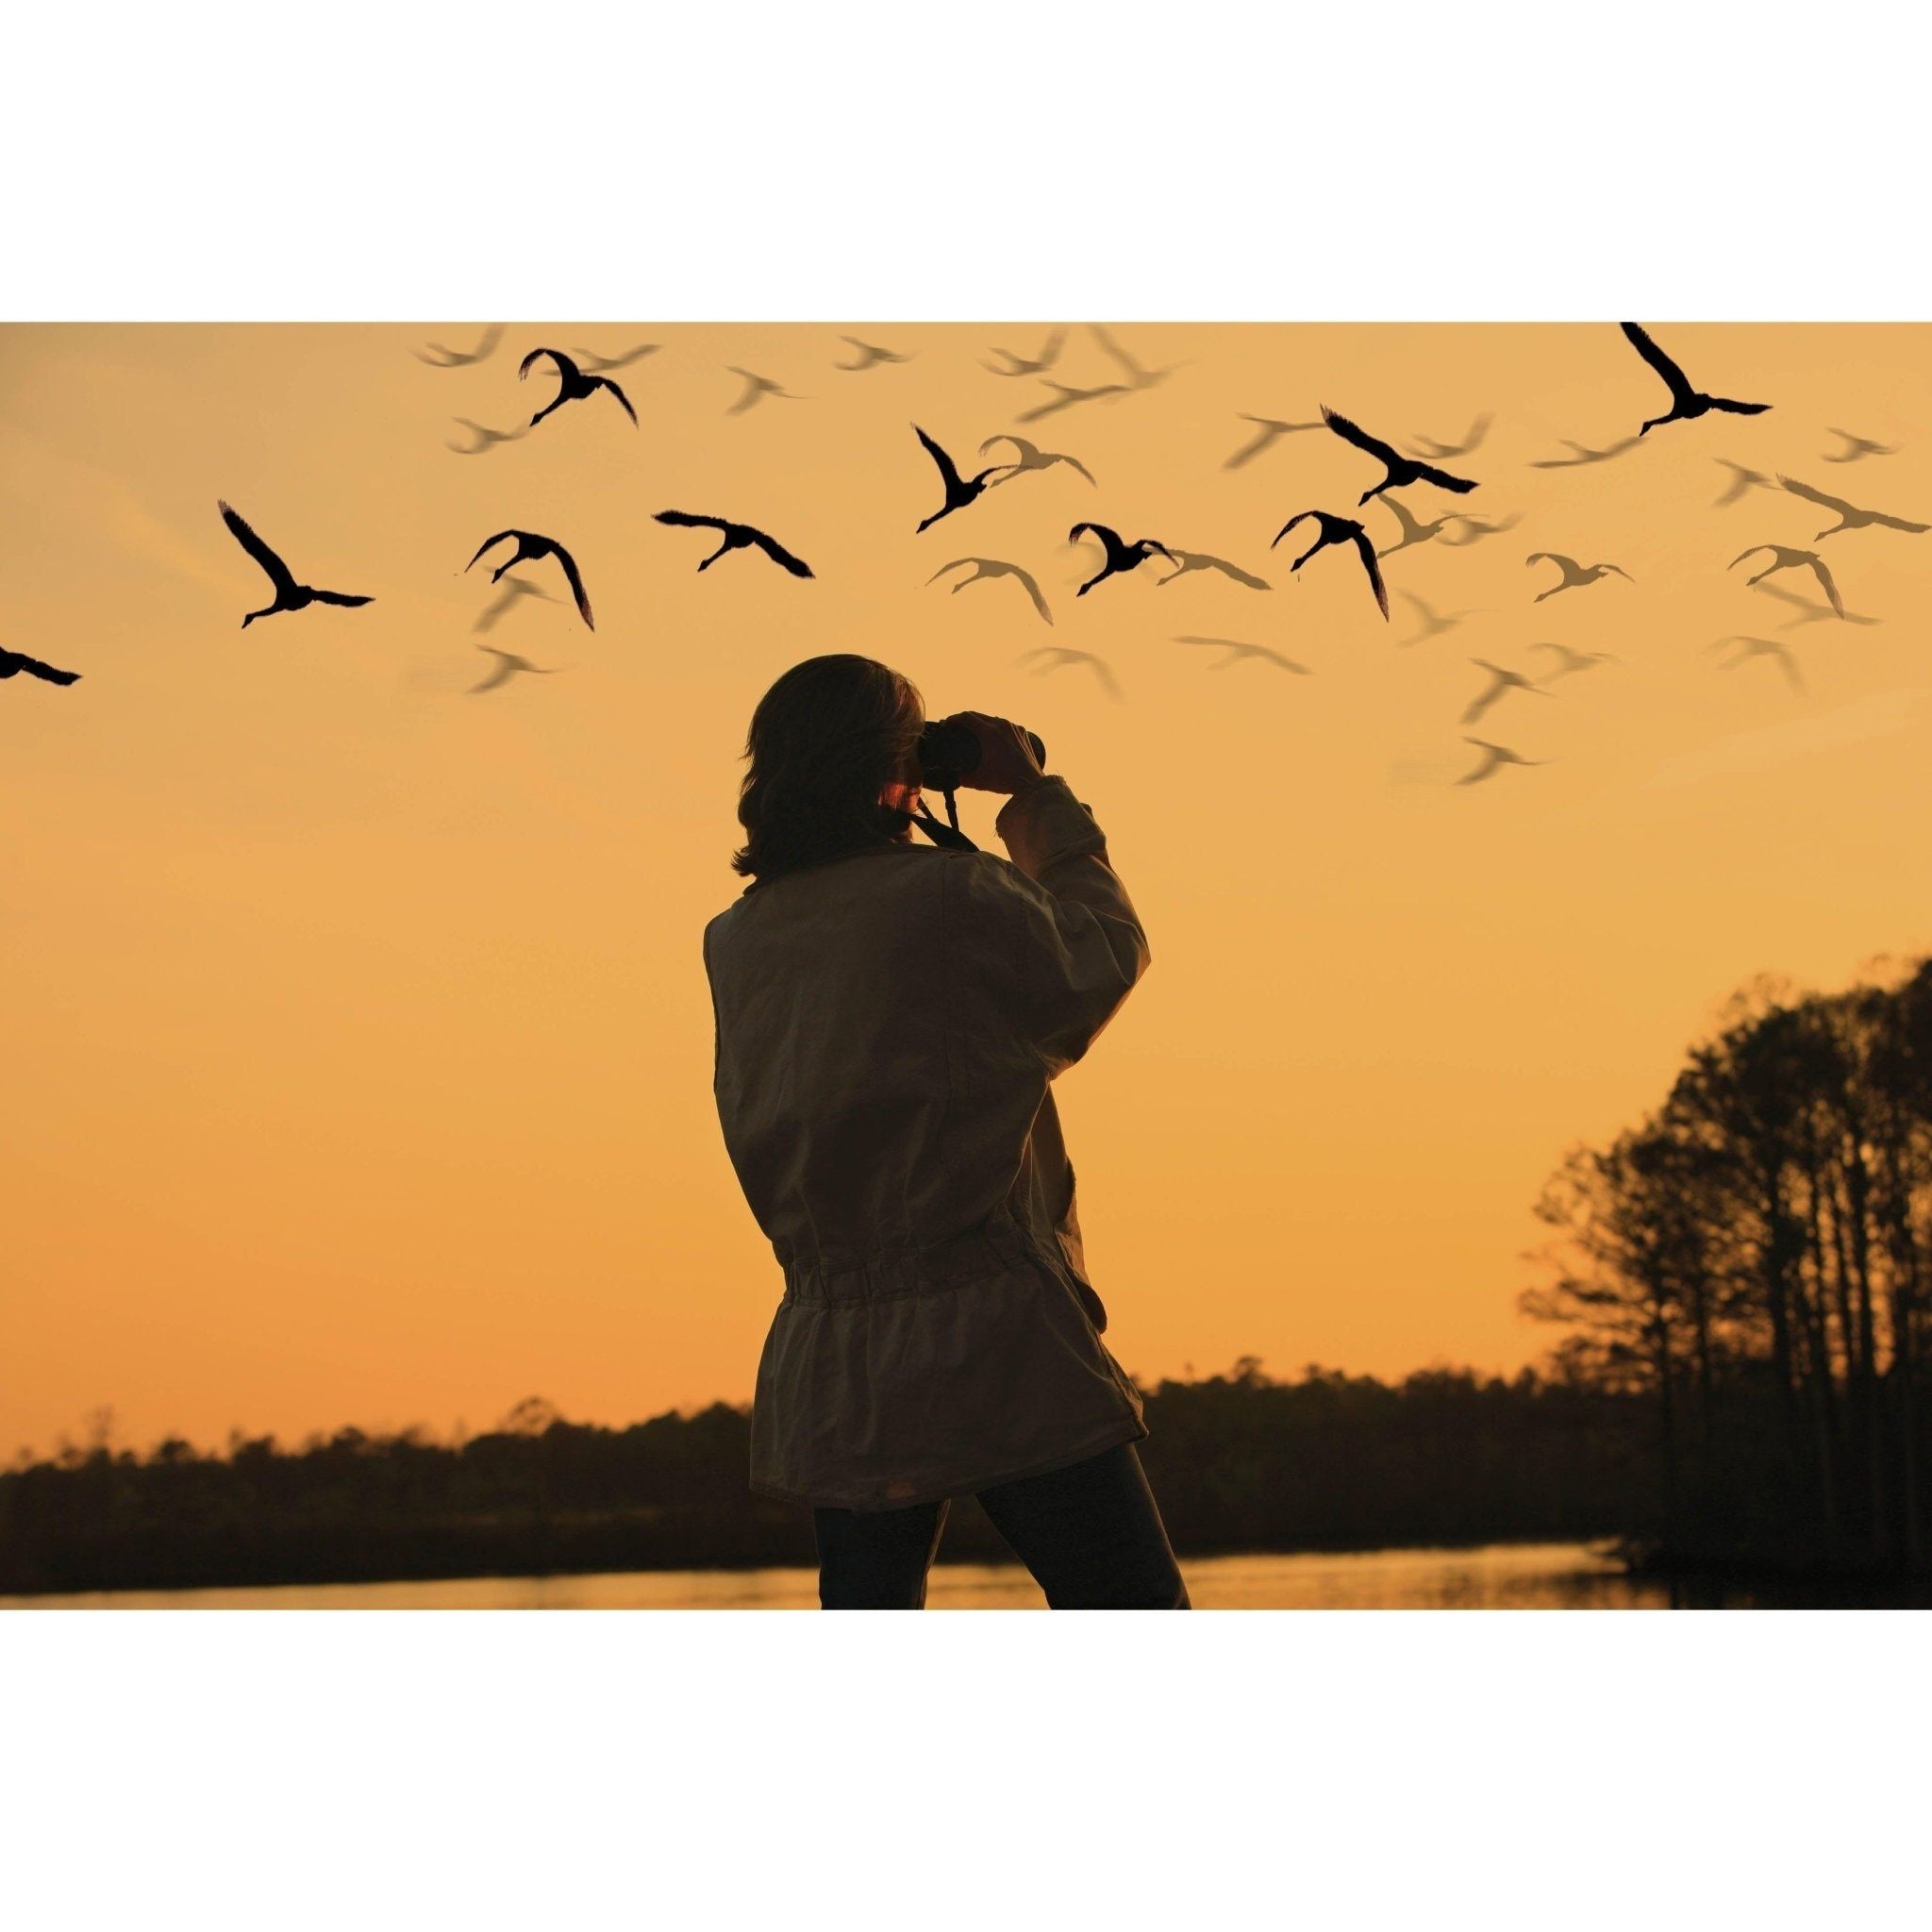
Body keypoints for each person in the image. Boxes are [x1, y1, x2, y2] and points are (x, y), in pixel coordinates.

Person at [702, 655, 1190, 1609]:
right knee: (1131, 1609)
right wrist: (1033, 794)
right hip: (988, 1332)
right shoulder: (948, 897)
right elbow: (1098, 955)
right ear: (890, 762)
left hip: (831, 1348)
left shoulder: (736, 935)